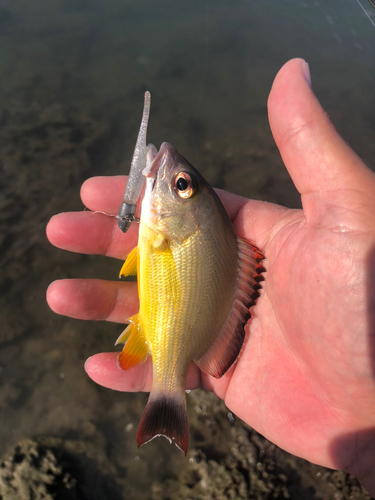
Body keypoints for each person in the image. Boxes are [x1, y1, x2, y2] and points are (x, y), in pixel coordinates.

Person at [46, 58, 375, 495]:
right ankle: (168, 399)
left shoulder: (165, 232)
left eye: (181, 185)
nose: (173, 177)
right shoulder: (168, 231)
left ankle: (167, 398)